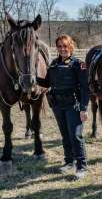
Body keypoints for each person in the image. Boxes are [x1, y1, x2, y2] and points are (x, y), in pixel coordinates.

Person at [37, 34, 89, 179]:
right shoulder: (53, 64)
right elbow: (47, 83)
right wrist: (32, 78)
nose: (62, 49)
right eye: (59, 46)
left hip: (74, 105)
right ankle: (69, 161)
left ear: (70, 46)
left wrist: (84, 108)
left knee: (76, 136)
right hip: (58, 106)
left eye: (65, 46)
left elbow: (85, 88)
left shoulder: (78, 64)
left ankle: (82, 166)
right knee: (65, 135)